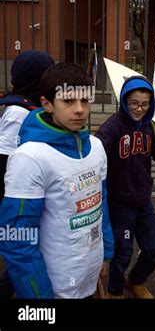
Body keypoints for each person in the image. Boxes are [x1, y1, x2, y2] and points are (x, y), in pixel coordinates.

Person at [0, 63, 114, 298]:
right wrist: (39, 296)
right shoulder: (29, 158)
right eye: (69, 101)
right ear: (47, 104)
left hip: (89, 279)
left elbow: (100, 206)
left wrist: (106, 254)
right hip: (53, 289)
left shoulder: (97, 147)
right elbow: (18, 239)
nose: (80, 110)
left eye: (85, 100)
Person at [95, 75, 155, 299]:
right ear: (125, 102)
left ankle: (134, 281)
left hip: (143, 200)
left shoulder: (151, 126)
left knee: (154, 249)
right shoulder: (113, 127)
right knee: (122, 253)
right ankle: (115, 291)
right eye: (134, 104)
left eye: (145, 104)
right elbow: (97, 150)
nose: (139, 109)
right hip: (119, 203)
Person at [0, 50, 55, 298]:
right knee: (22, 249)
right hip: (16, 198)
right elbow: (6, 159)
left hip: (29, 193)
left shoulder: (34, 105)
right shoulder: (17, 111)